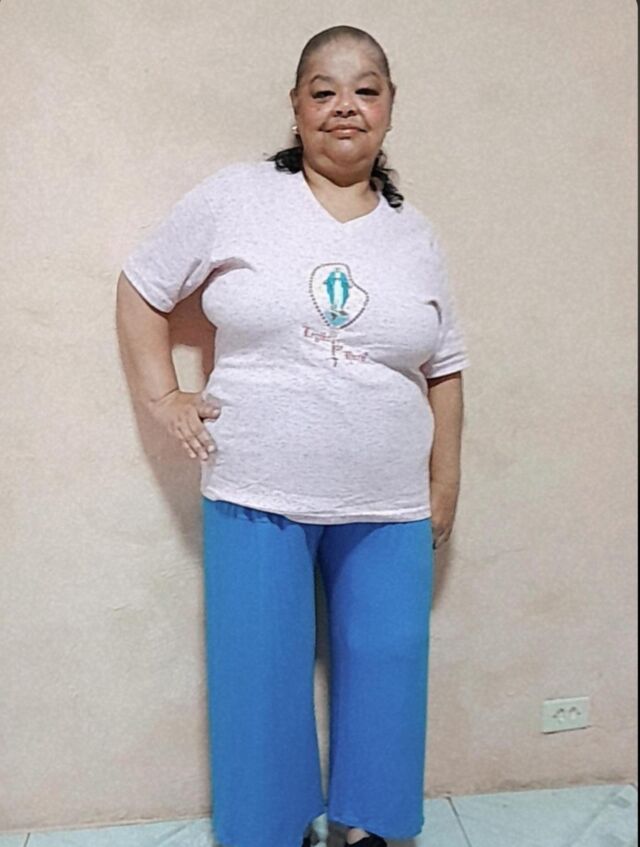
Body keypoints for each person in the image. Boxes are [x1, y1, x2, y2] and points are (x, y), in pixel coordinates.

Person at [116, 24, 470, 847]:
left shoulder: (414, 233)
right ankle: (270, 830)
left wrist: (444, 482)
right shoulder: (237, 198)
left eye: (366, 89)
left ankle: (370, 828)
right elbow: (141, 286)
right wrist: (164, 394)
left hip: (389, 500)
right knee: (259, 670)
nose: (345, 105)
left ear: (388, 107)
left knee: (387, 661)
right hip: (256, 487)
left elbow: (445, 366)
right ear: (297, 106)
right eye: (324, 90)